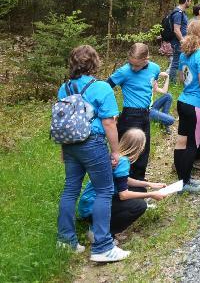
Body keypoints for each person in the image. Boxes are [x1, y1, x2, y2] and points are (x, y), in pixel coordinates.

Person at [56, 45, 128, 262]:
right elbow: (108, 122)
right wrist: (115, 151)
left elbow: (63, 122)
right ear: (94, 62)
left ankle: (66, 241)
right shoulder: (102, 88)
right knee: (104, 190)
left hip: (70, 145)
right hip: (92, 143)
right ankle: (103, 246)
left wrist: (63, 149)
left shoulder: (64, 88)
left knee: (70, 190)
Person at [78, 129, 166, 243]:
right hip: (92, 209)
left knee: (140, 189)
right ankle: (102, 234)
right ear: (139, 147)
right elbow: (123, 195)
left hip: (90, 204)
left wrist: (149, 184)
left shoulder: (116, 156)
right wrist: (152, 194)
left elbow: (124, 180)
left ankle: (100, 227)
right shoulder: (123, 162)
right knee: (139, 206)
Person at [107, 43, 161, 185]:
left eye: (137, 65)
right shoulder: (124, 71)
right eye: (131, 64)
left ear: (146, 59)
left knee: (143, 151)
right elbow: (105, 88)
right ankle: (121, 187)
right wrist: (110, 111)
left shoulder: (155, 68)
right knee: (128, 154)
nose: (133, 68)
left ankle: (139, 188)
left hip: (145, 115)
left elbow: (151, 86)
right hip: (130, 116)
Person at [174, 20, 200, 194]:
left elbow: (181, 79)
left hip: (183, 100)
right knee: (192, 144)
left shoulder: (184, 54)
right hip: (198, 105)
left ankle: (182, 181)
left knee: (181, 142)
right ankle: (186, 182)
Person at [167, 0, 192, 81]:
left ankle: (178, 79)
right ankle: (172, 81)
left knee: (179, 61)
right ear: (186, 1)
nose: (190, 3)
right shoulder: (178, 13)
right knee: (176, 62)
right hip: (178, 42)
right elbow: (176, 29)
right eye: (189, 1)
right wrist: (182, 40)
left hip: (180, 41)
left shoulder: (181, 12)